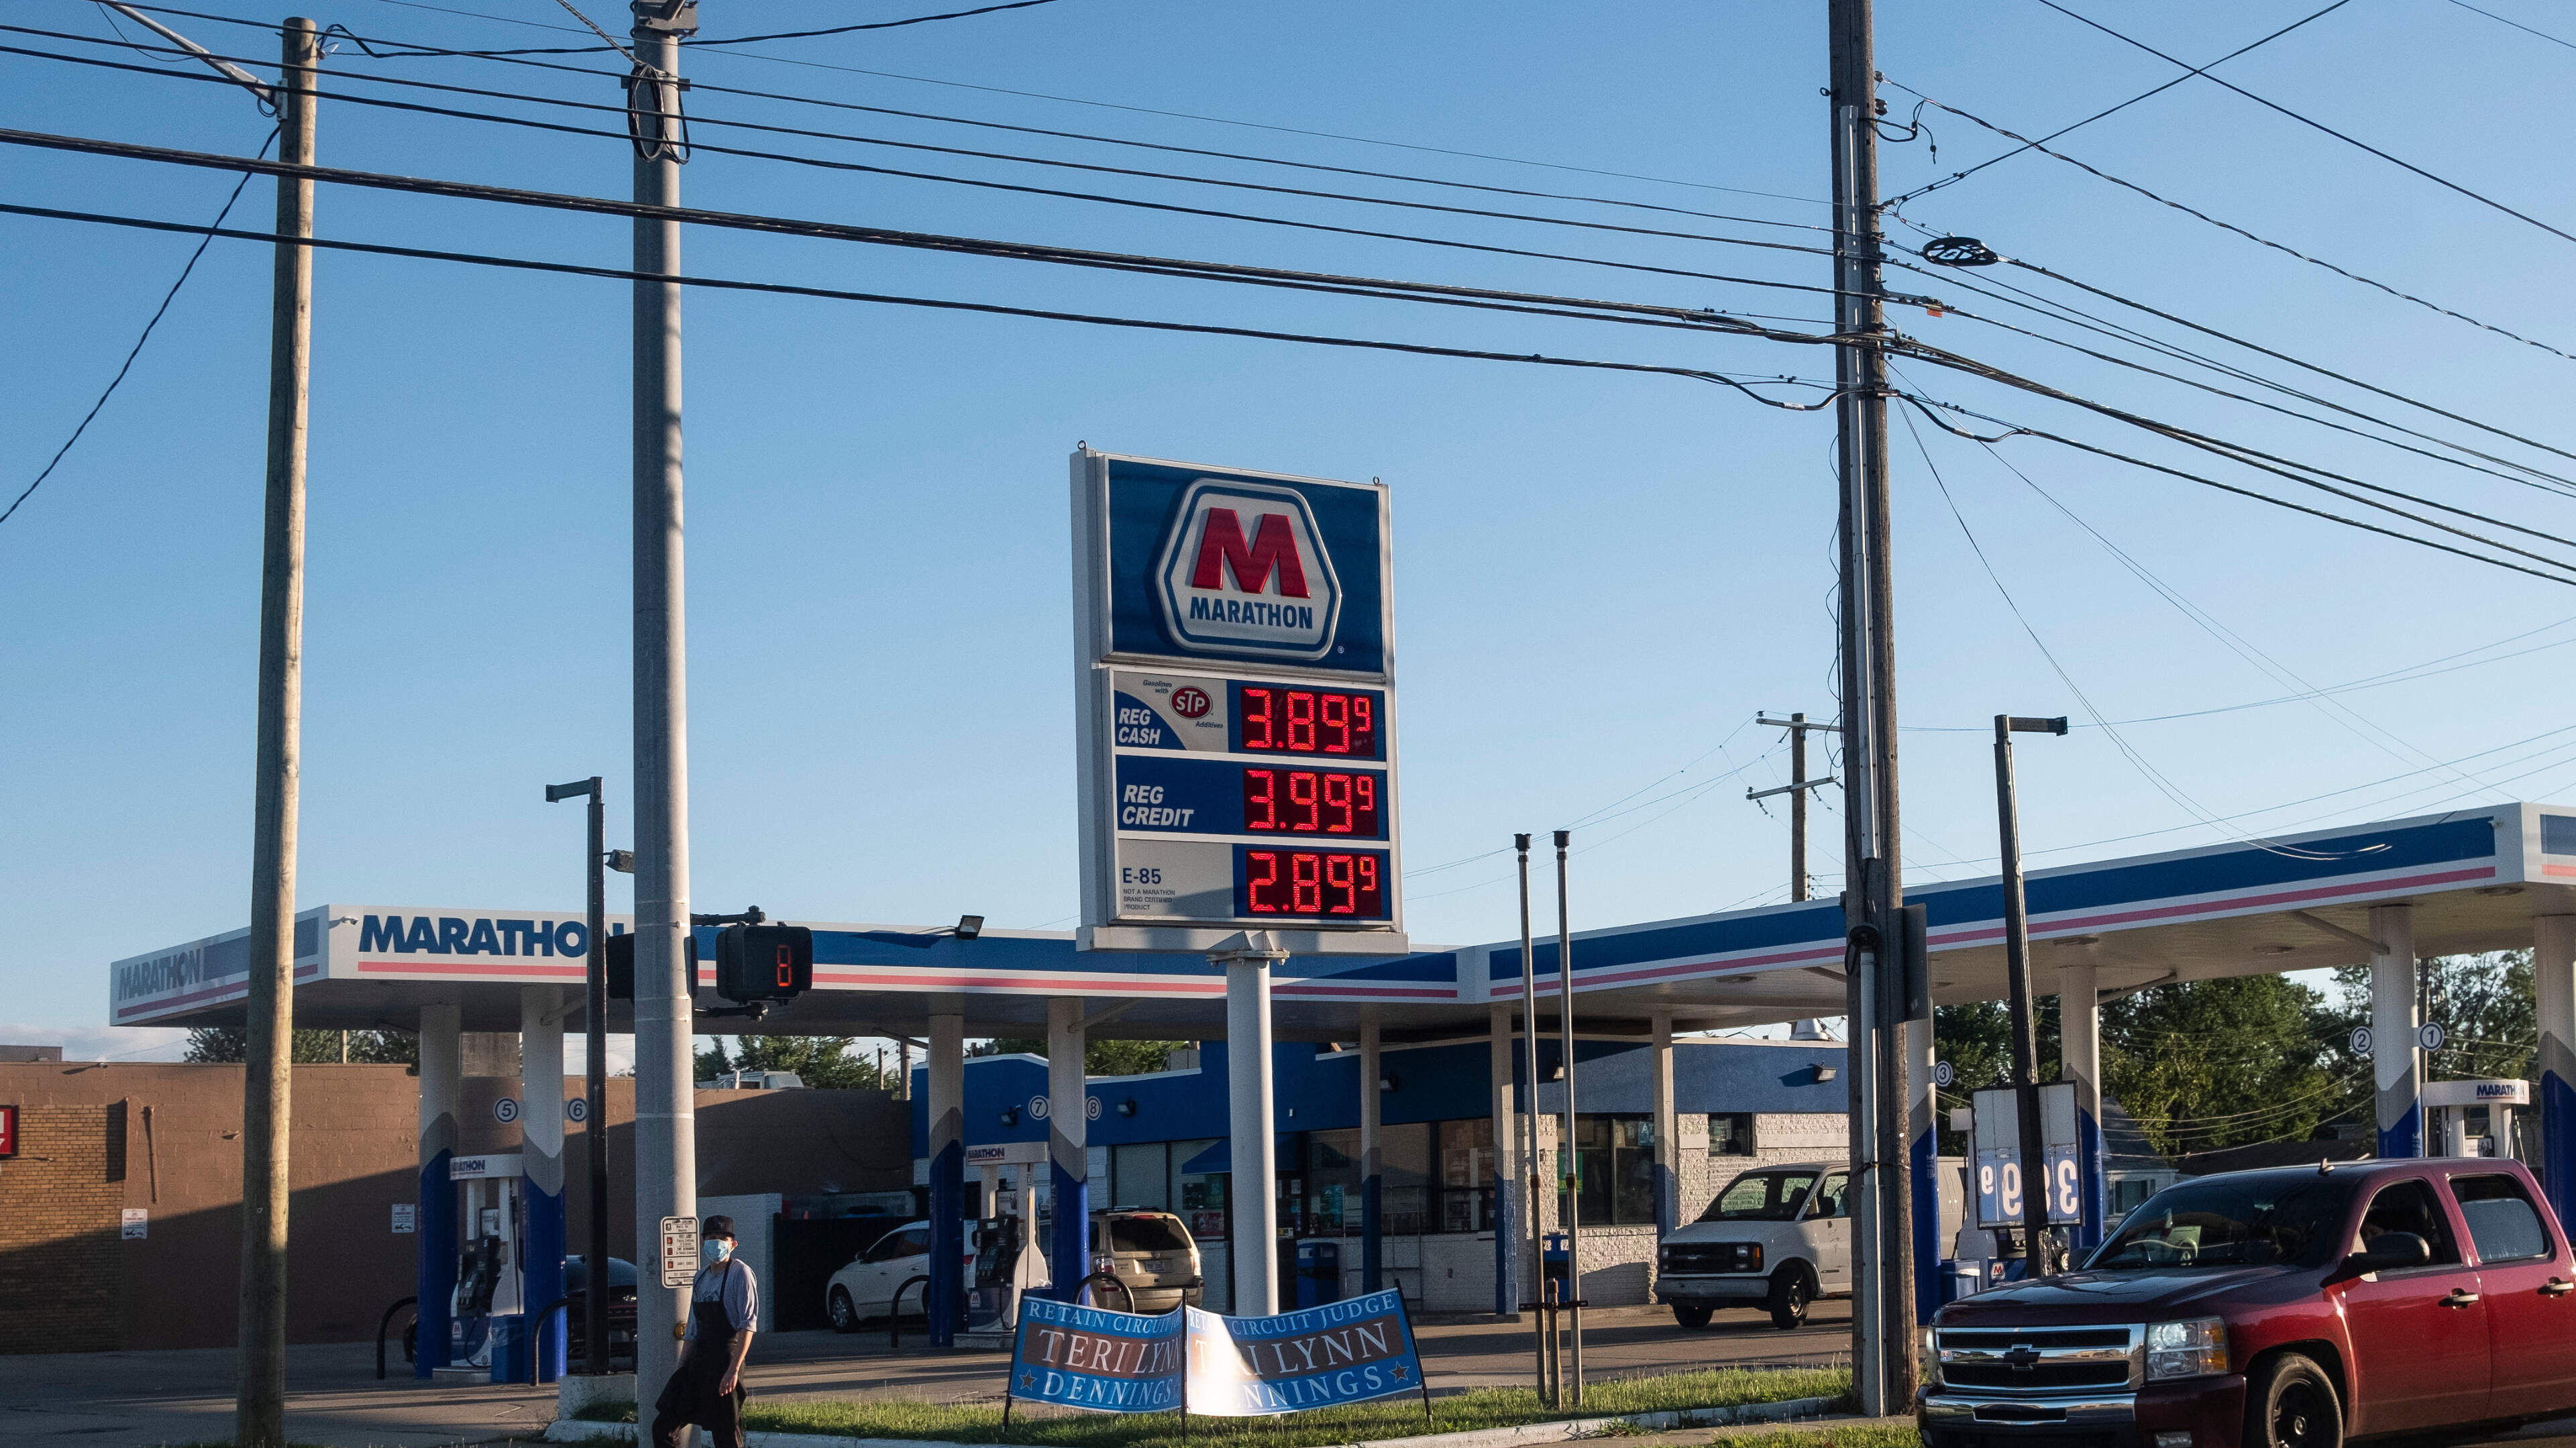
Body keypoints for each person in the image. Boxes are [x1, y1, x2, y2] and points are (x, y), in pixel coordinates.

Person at [651, 1215, 759, 1448]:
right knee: (662, 1427)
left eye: (723, 1238)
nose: (716, 1242)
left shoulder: (741, 1273)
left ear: (733, 1244)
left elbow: (747, 1326)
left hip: (726, 1360)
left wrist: (733, 1371)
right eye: (712, 1237)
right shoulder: (700, 1277)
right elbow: (693, 1329)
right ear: (703, 1242)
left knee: (725, 1433)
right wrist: (681, 1370)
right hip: (700, 1361)